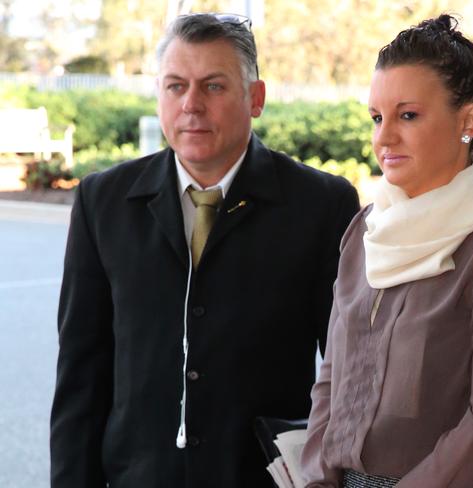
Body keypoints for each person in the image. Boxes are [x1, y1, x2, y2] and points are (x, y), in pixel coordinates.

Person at [50, 13, 359, 488]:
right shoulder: (102, 202)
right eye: (175, 86)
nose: (191, 105)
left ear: (255, 99)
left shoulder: (322, 205)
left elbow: (346, 376)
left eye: (213, 86)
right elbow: (80, 378)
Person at [301, 14, 473, 488]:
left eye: (408, 115)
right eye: (377, 118)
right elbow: (331, 382)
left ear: (468, 120)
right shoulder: (365, 231)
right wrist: (317, 477)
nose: (384, 137)